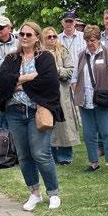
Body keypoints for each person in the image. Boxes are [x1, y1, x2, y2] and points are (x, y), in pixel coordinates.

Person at [0, 22, 64, 210]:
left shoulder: (45, 57)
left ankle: (53, 193)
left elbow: (49, 82)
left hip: (37, 111)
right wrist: (28, 77)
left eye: (29, 34)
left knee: (41, 153)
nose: (24, 37)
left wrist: (17, 84)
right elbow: (2, 80)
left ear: (37, 38)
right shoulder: (11, 58)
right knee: (24, 155)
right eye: (22, 34)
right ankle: (34, 193)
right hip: (14, 111)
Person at [72, 25, 108, 172]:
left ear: (99, 39)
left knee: (106, 132)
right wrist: (77, 89)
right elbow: (74, 77)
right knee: (88, 133)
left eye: (92, 40)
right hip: (85, 100)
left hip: (103, 100)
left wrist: (107, 92)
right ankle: (93, 162)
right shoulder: (81, 55)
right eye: (87, 40)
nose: (90, 43)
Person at [42, 26, 80, 165]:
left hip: (62, 92)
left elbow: (70, 71)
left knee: (64, 124)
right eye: (49, 37)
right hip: (45, 93)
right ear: (43, 38)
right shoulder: (39, 53)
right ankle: (50, 155)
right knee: (47, 123)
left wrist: (55, 69)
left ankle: (65, 156)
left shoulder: (63, 50)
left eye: (54, 36)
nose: (52, 39)